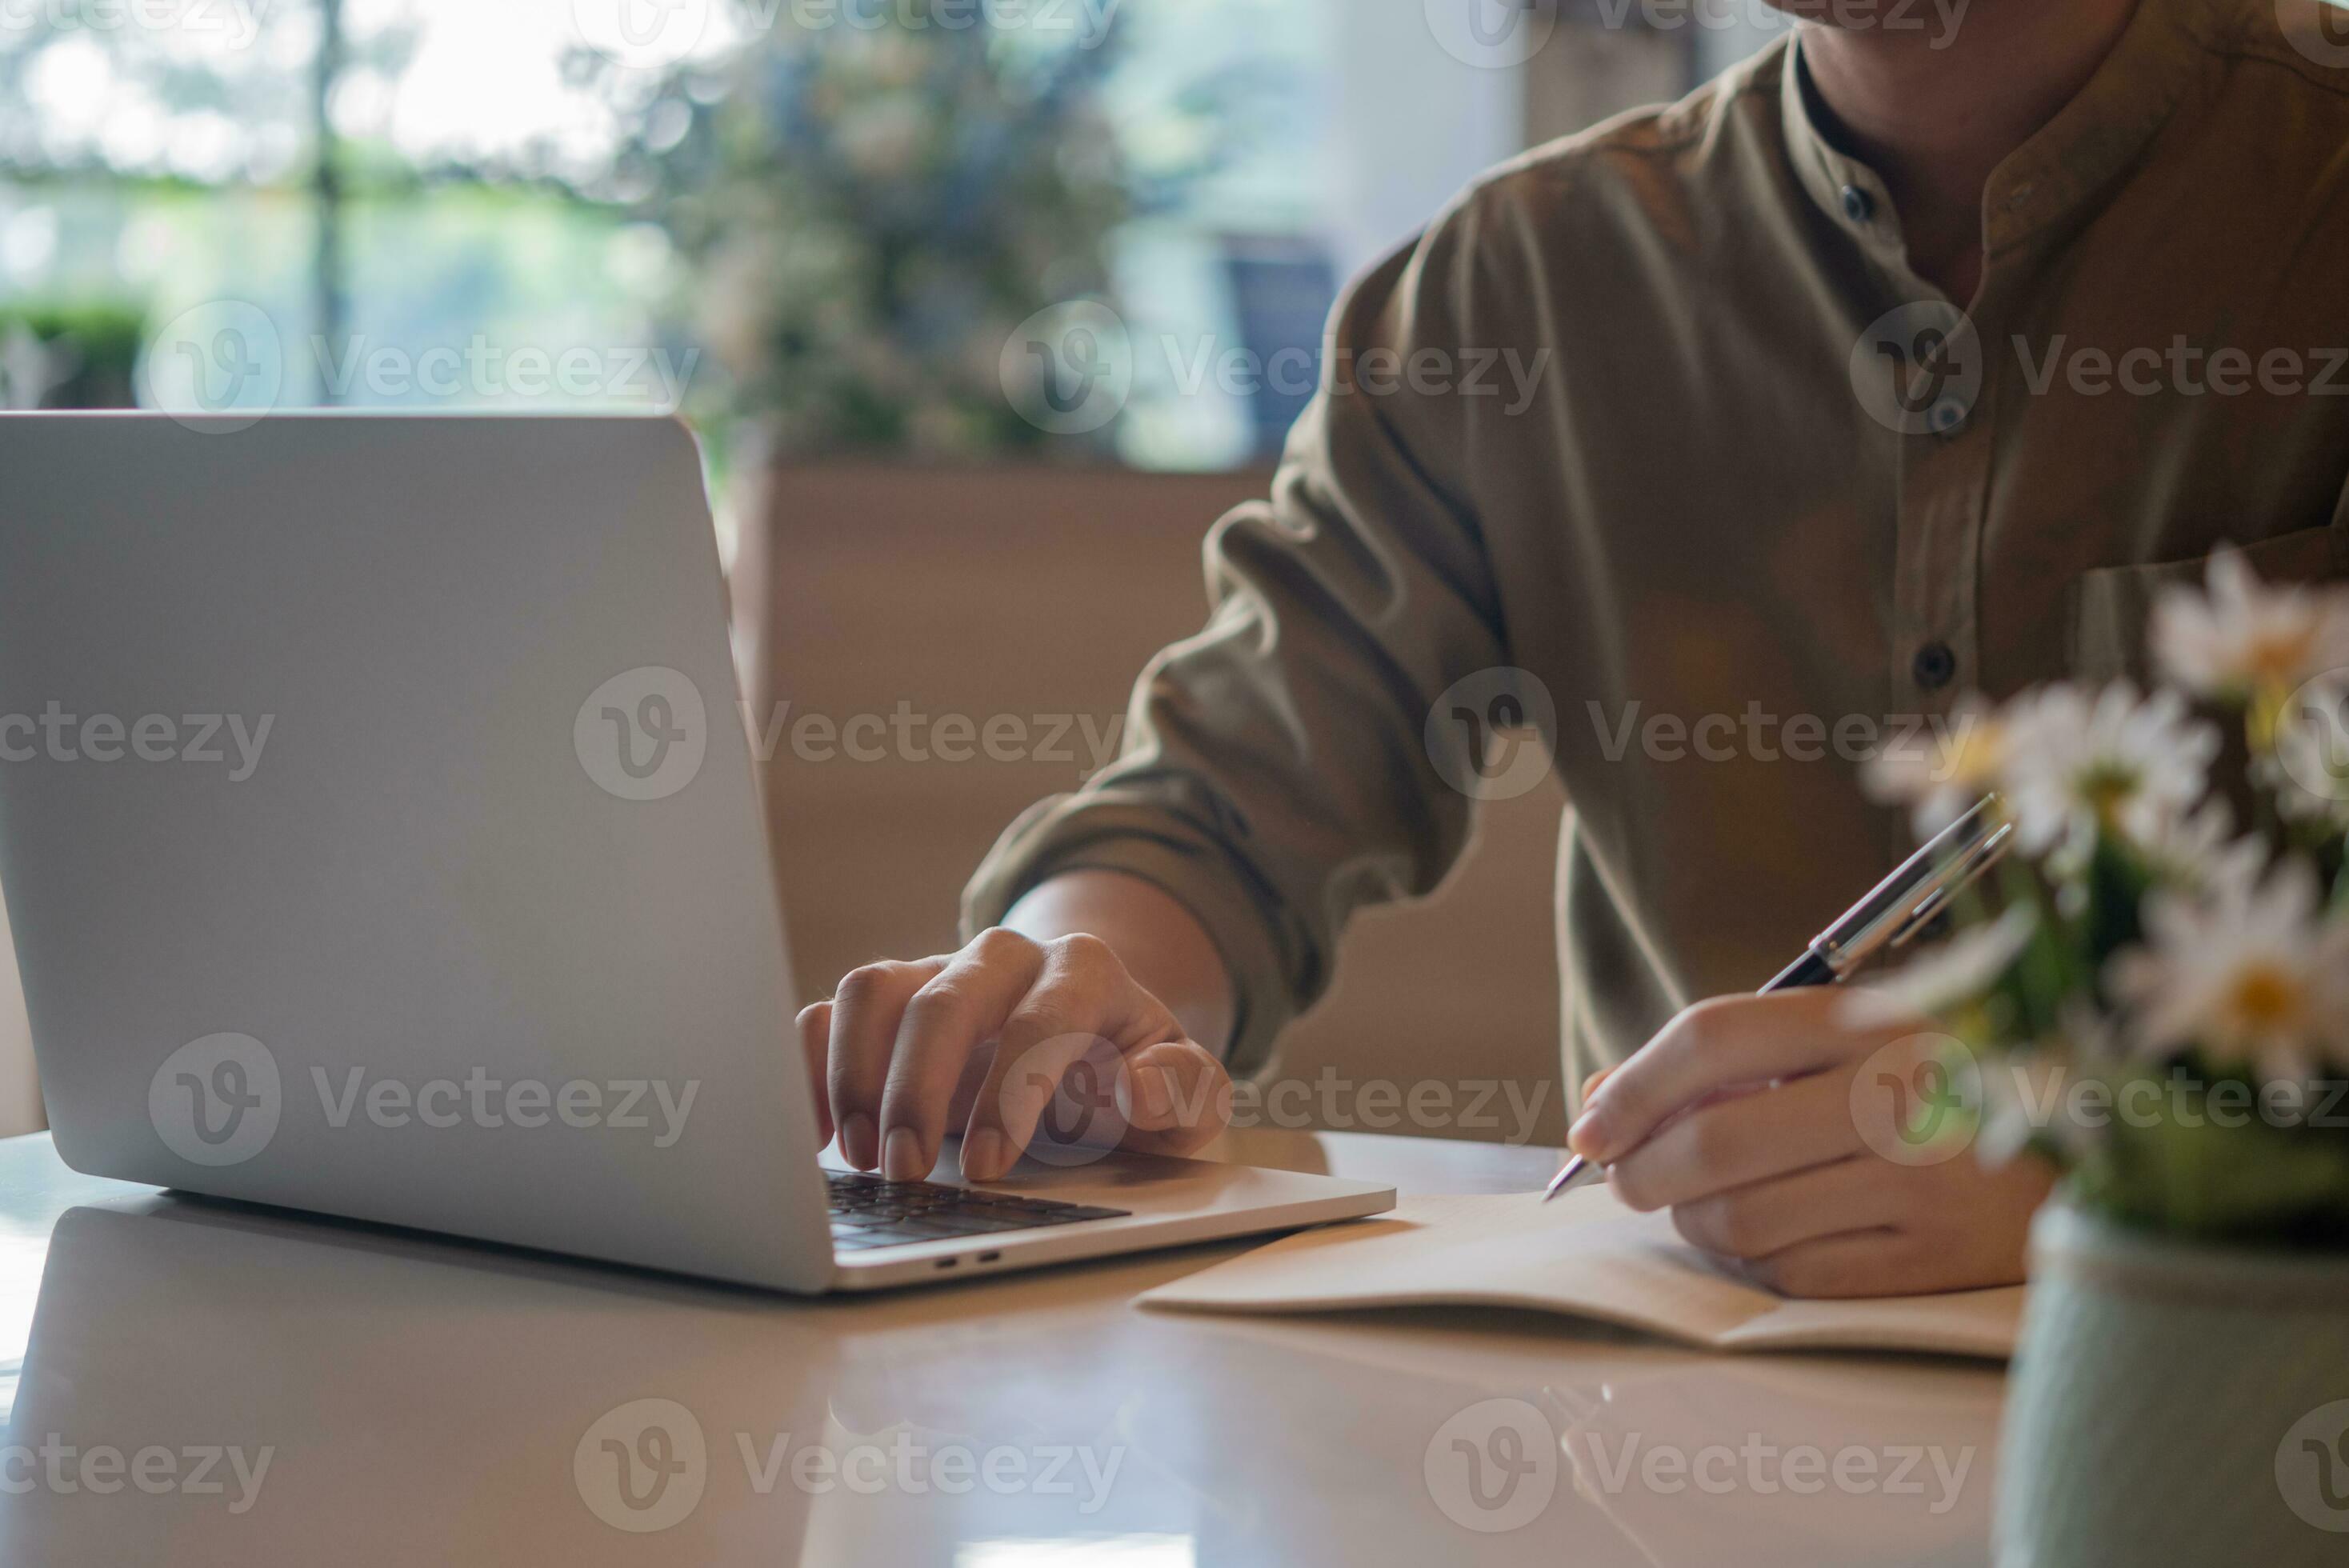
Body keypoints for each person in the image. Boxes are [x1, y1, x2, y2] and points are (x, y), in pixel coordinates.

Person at [795, 0, 2349, 1297]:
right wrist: (1066, 997)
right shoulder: (1520, 284)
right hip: (1661, 1419)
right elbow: (1222, 814)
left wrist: (2119, 1167)